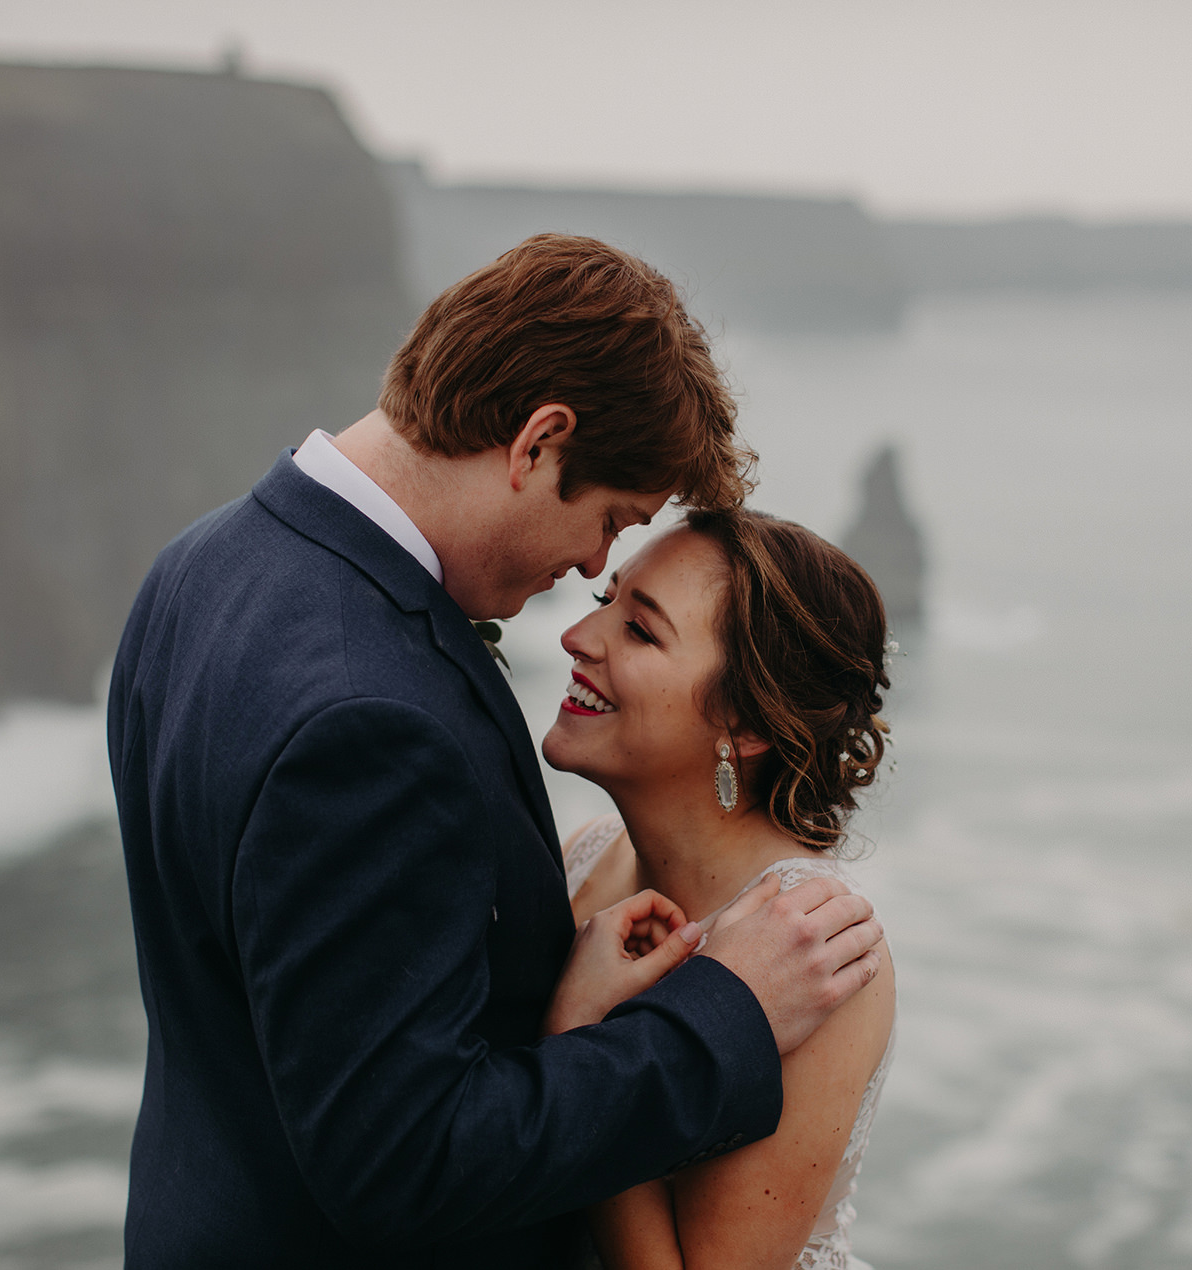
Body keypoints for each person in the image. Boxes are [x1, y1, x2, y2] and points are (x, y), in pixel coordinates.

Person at [105, 234, 885, 1268]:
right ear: (537, 443)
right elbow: (405, 1159)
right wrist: (720, 1012)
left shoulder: (198, 570)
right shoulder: (369, 717)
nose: (585, 576)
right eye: (607, 521)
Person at [545, 509, 897, 1270]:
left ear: (742, 723)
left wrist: (586, 1044)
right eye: (607, 601)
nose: (578, 636)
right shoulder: (584, 857)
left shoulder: (815, 947)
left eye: (640, 631)